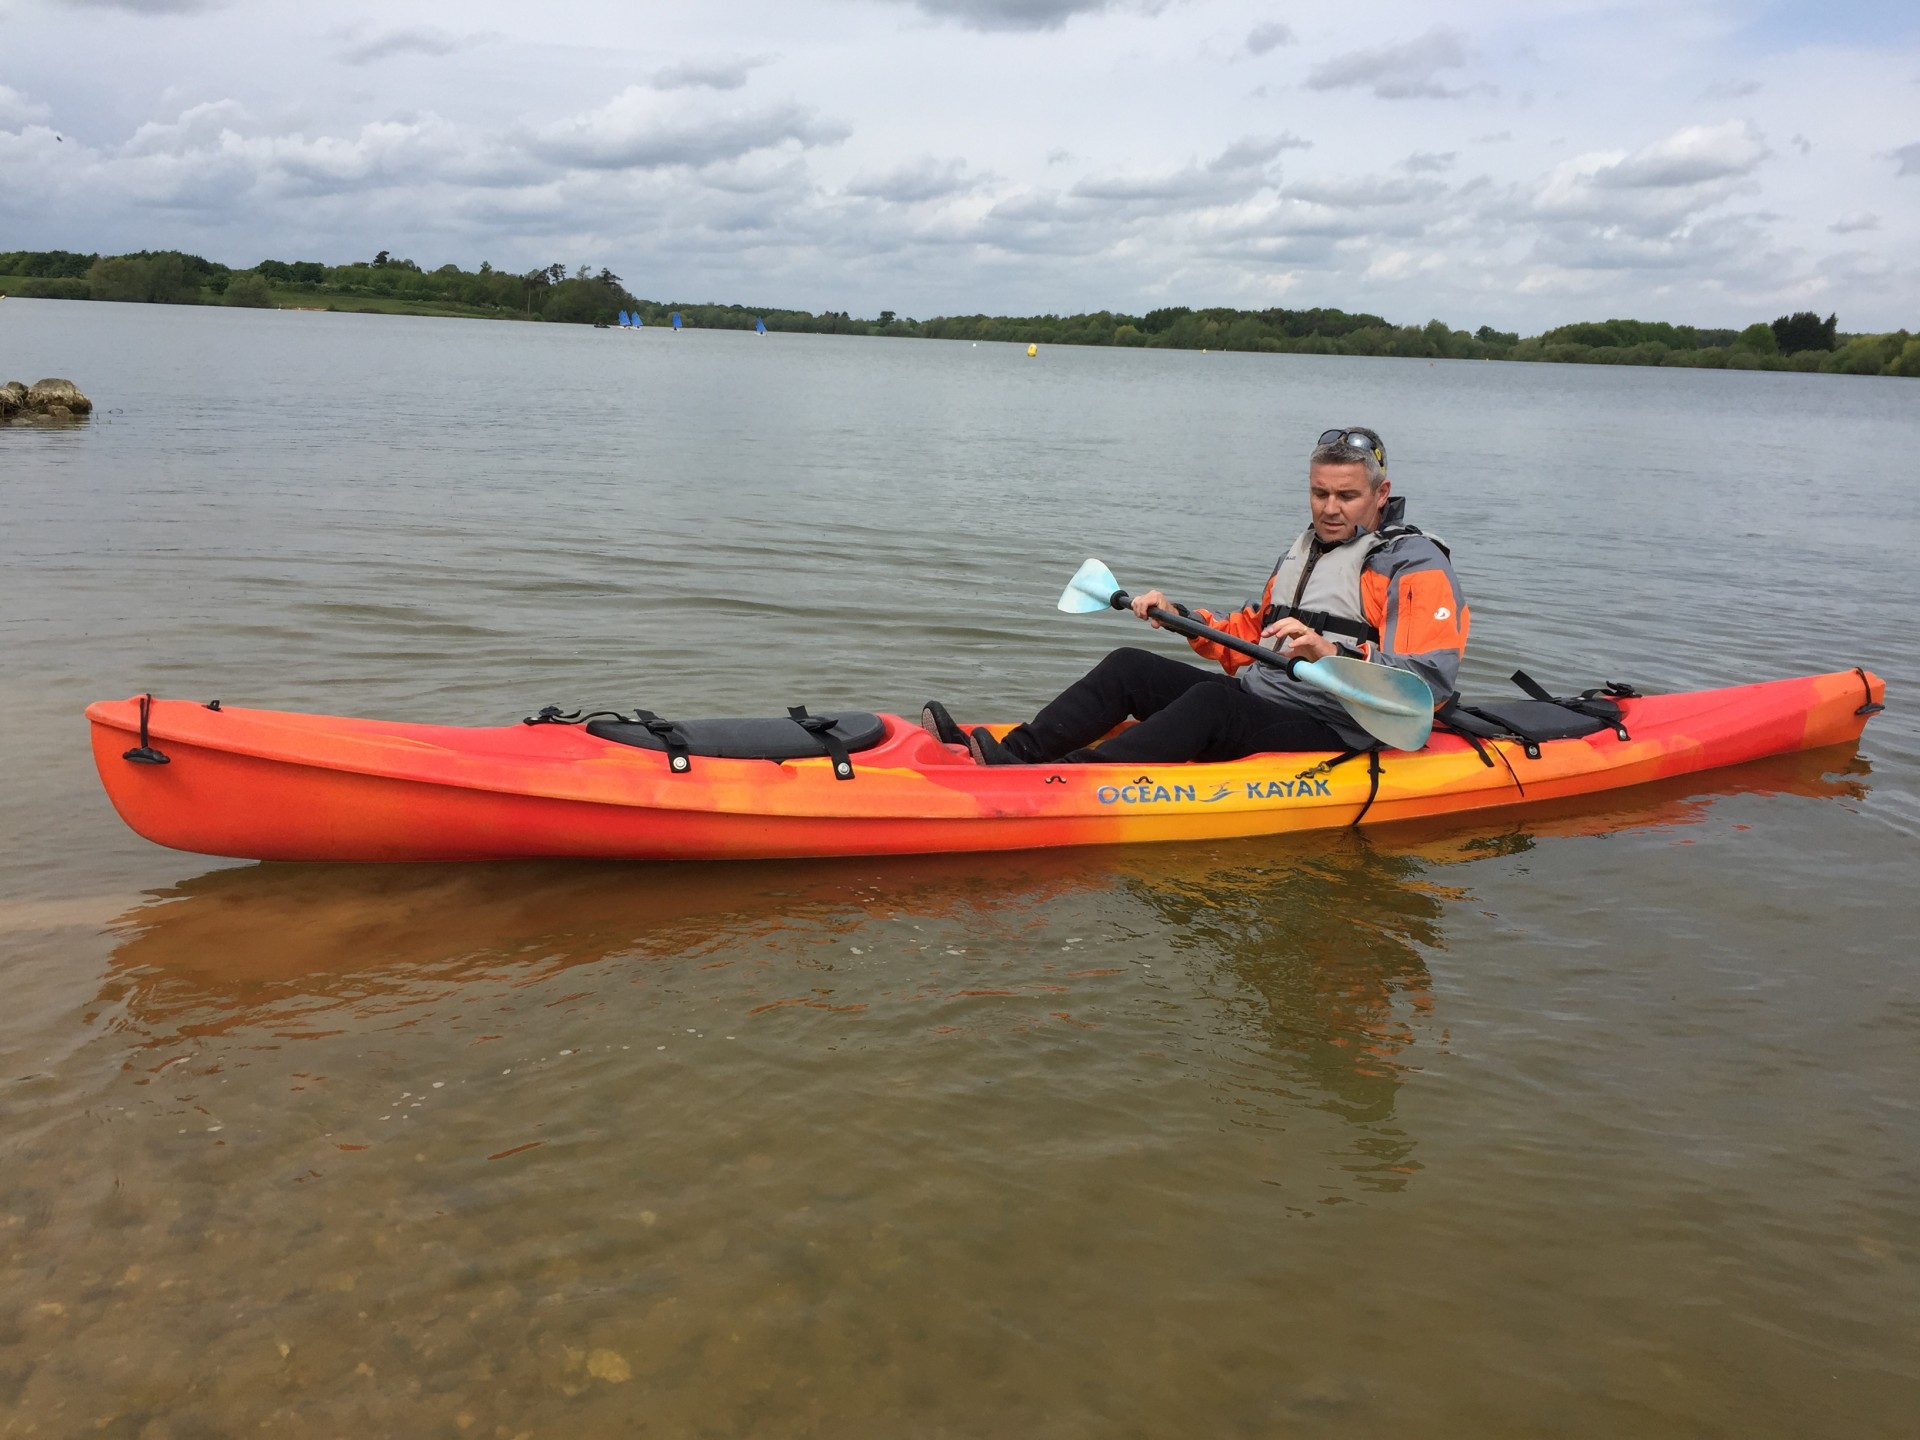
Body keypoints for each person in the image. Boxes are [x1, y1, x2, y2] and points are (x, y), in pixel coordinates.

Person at [931, 427, 1469, 766]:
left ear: (1381, 493)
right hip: (1261, 700)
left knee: (1213, 701)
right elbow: (1248, 641)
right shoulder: (1305, 550)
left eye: (1347, 496)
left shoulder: (1414, 563)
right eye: (1319, 492)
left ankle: (1066, 778)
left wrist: (1330, 655)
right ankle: (1014, 756)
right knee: (1130, 667)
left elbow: (1430, 685)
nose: (1329, 508)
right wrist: (1182, 618)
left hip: (1337, 727)